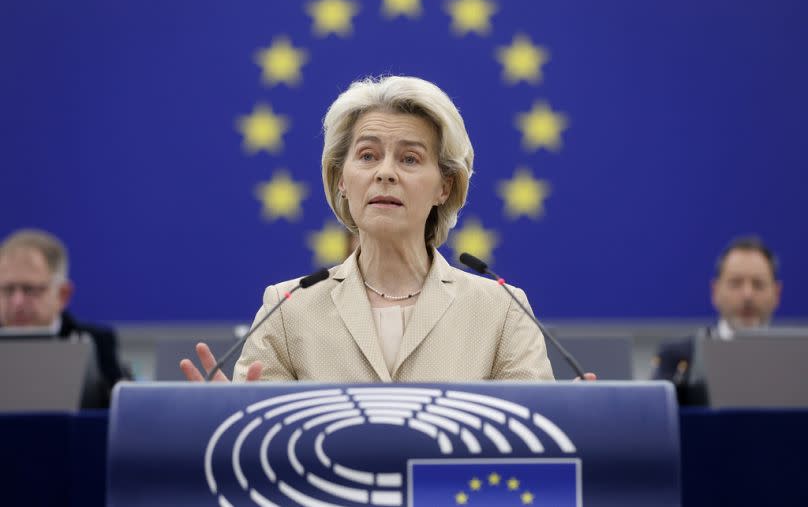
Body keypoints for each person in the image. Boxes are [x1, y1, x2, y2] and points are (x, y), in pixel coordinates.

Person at [182, 75, 596, 383]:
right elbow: (259, 452)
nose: (385, 173)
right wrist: (228, 421)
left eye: (410, 159)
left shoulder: (502, 309)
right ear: (341, 178)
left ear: (444, 185)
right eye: (367, 155)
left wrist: (568, 420)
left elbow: (530, 445)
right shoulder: (288, 307)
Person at [0, 229, 128, 407]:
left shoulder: (96, 343)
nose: (17, 302)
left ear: (62, 294)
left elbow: (120, 413)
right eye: (7, 289)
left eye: (29, 289)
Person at [651, 235, 782, 404]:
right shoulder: (679, 359)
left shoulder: (798, 362)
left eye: (758, 284)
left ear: (777, 293)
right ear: (715, 291)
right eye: (735, 283)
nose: (747, 295)